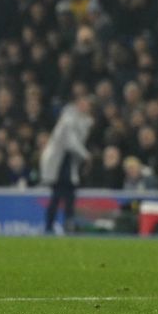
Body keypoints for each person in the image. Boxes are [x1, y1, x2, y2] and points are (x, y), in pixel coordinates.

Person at [40, 96, 93, 233]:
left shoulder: (83, 121)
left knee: (68, 195)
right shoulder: (68, 120)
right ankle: (51, 226)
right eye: (83, 104)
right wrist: (86, 155)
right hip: (61, 162)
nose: (85, 107)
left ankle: (65, 224)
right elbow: (71, 142)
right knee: (59, 195)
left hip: (69, 162)